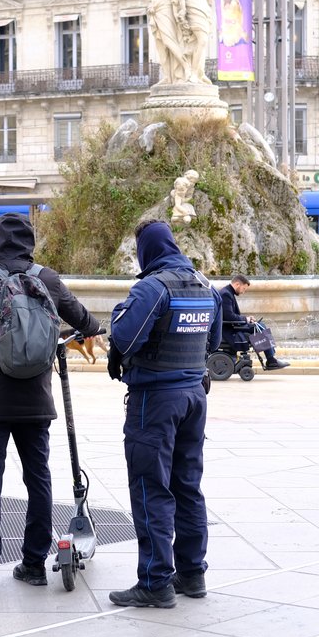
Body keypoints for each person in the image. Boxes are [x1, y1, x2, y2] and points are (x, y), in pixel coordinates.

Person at [0, 213, 101, 591]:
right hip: (36, 400)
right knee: (39, 478)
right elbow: (86, 322)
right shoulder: (48, 279)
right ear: (30, 241)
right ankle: (34, 563)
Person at [105, 220, 221, 608]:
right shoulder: (206, 287)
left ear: (147, 251)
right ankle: (192, 573)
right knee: (187, 484)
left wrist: (122, 312)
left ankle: (155, 582)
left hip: (155, 399)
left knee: (150, 487)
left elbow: (124, 338)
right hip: (194, 396)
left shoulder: (152, 287)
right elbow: (214, 342)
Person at [219, 274, 290, 371]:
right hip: (228, 329)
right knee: (260, 327)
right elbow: (229, 316)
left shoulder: (227, 292)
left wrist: (247, 319)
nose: (244, 292)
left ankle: (271, 359)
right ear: (237, 284)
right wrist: (246, 319)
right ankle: (271, 360)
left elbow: (229, 315)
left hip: (231, 325)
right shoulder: (226, 294)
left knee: (260, 326)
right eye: (244, 289)